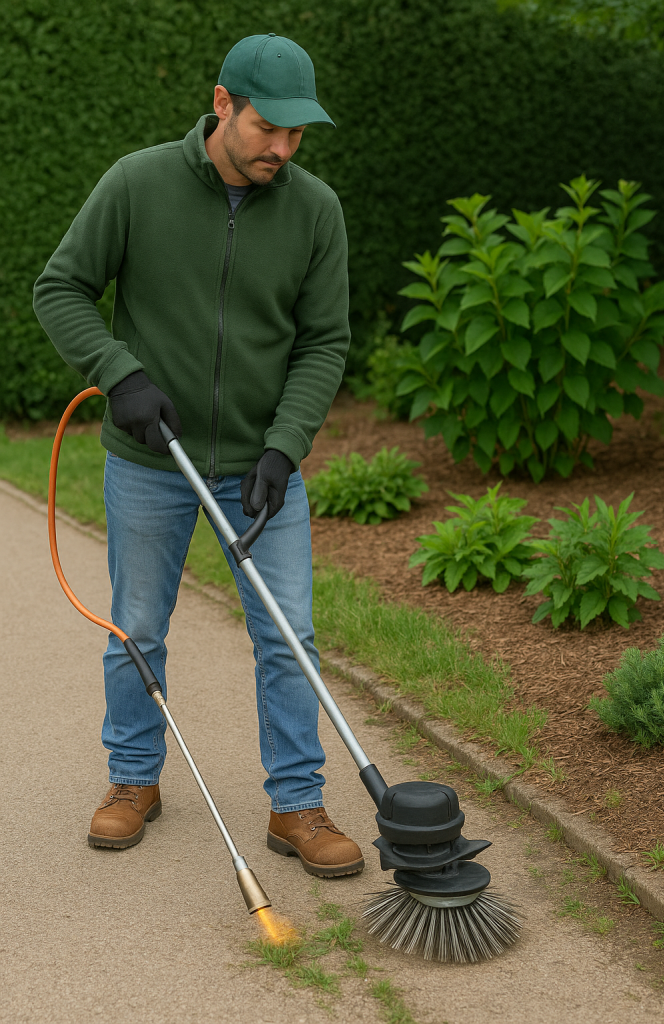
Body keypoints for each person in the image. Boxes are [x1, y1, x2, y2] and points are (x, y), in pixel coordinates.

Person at [33, 33, 364, 879]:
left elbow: (323, 344)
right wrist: (121, 375)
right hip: (152, 464)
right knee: (137, 629)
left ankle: (296, 804)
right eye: (267, 128)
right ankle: (132, 780)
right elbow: (60, 286)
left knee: (289, 636)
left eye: (297, 135)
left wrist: (285, 449)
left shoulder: (314, 209)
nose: (282, 150)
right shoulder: (138, 183)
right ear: (223, 103)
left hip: (262, 470)